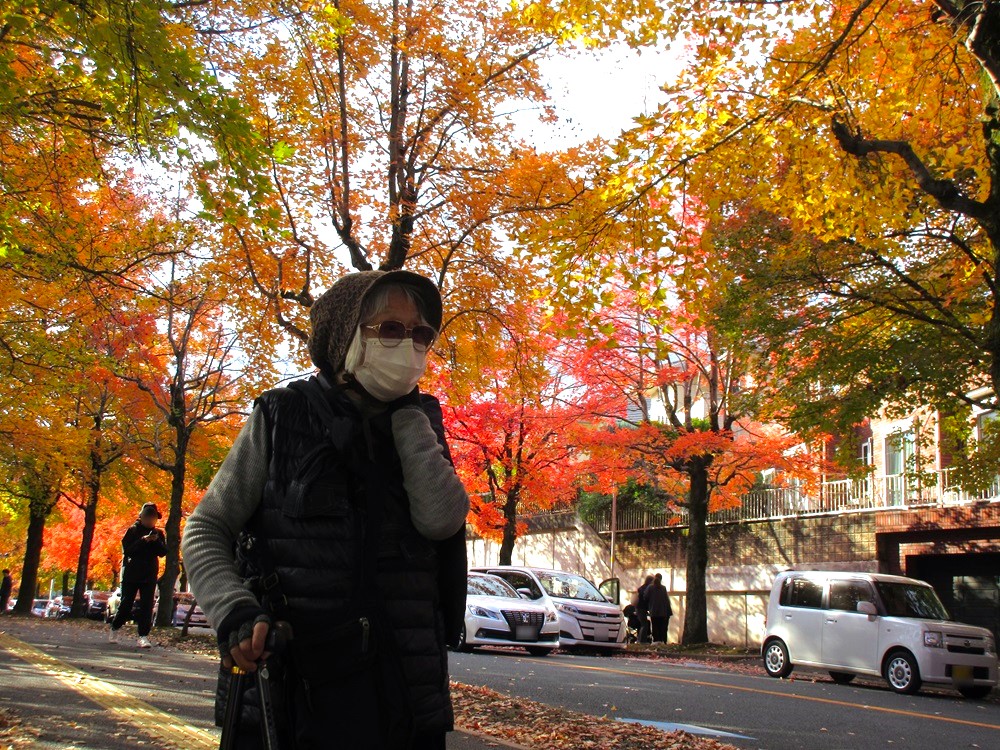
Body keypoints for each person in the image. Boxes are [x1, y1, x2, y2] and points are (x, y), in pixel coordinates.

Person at [182, 270, 469, 750]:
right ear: (345, 339)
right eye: (391, 329)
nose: (410, 346)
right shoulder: (279, 416)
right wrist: (233, 611)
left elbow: (440, 519)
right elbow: (207, 527)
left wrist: (409, 418)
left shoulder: (420, 420)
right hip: (292, 691)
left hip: (404, 694)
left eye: (420, 333)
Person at [109, 503, 166, 648]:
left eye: (153, 518)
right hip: (132, 573)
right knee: (126, 604)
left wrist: (155, 541)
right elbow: (128, 550)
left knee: (147, 606)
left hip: (149, 574)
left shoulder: (158, 534)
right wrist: (142, 541)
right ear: (141, 517)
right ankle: (115, 626)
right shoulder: (133, 531)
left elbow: (163, 552)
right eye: (148, 518)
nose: (150, 521)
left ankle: (143, 636)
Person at [647, 572, 673, 644]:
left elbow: (645, 597)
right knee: (662, 627)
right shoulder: (663, 588)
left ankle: (656, 640)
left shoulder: (650, 588)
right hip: (662, 612)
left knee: (655, 626)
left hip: (653, 611)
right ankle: (663, 641)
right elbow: (666, 600)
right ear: (661, 579)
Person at [635, 575, 654, 644]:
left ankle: (641, 640)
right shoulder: (647, 588)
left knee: (644, 624)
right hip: (641, 608)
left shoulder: (642, 588)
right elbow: (646, 599)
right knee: (644, 624)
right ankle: (642, 640)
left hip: (639, 608)